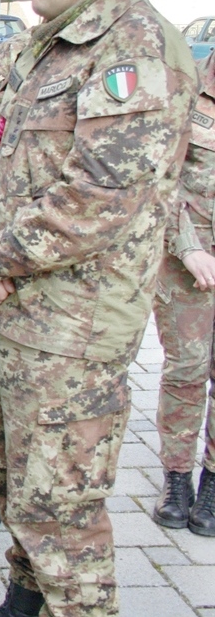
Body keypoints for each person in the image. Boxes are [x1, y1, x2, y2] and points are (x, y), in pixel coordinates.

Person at [0, 0, 197, 617]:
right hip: (15, 309)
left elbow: (96, 200)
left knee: (62, 513)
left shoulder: (134, 47)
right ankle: (23, 600)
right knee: (17, 480)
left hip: (76, 333)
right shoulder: (41, 48)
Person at [151, 50, 215, 537]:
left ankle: (212, 479)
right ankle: (177, 478)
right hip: (186, 260)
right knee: (187, 370)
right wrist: (189, 246)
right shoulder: (184, 89)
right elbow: (161, 178)